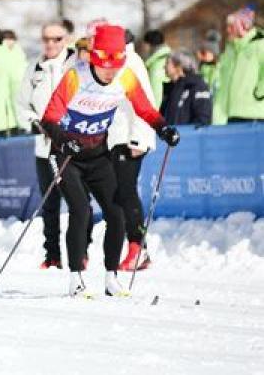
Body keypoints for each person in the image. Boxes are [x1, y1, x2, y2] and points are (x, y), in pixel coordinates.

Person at [40, 24, 179, 298]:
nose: (110, 72)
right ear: (95, 59)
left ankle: (111, 278)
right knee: (81, 211)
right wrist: (62, 140)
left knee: (117, 213)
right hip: (66, 154)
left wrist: (164, 128)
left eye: (115, 66)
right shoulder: (75, 77)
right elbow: (49, 119)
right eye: (105, 67)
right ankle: (76, 278)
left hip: (97, 153)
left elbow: (145, 109)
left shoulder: (125, 77)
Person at [16, 20, 81, 269]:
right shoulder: (34, 67)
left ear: (66, 40)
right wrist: (33, 123)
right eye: (46, 39)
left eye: (56, 39)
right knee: (49, 202)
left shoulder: (77, 64)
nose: (51, 44)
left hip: (74, 144)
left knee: (78, 202)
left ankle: (80, 252)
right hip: (45, 145)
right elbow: (22, 104)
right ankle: (52, 255)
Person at [108, 28, 158, 272]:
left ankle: (139, 248)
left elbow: (145, 101)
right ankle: (133, 247)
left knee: (126, 193)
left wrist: (138, 139)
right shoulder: (114, 62)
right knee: (117, 194)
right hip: (115, 137)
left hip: (130, 138)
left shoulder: (132, 62)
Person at [213, 6, 264, 123]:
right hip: (229, 116)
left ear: (243, 26)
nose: (228, 30)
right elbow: (222, 83)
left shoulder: (260, 44)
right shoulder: (229, 51)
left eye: (231, 26)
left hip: (254, 115)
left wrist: (259, 93)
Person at [160, 51, 212, 126]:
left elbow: (202, 120)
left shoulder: (198, 87)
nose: (164, 67)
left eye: (167, 63)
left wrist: (188, 135)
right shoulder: (171, 89)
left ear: (178, 66)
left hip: (187, 136)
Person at [142, 29, 171, 107]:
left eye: (144, 43)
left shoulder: (156, 66)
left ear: (149, 44)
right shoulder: (167, 57)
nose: (143, 46)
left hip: (159, 111)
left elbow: (156, 95)